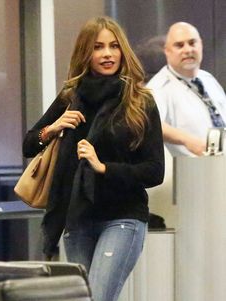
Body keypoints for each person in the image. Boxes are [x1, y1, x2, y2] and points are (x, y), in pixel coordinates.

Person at [22, 16, 164, 301]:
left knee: (98, 297)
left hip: (123, 217)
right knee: (80, 298)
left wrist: (103, 168)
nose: (107, 54)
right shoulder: (71, 96)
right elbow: (29, 144)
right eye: (98, 47)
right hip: (77, 218)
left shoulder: (140, 101)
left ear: (123, 50)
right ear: (86, 53)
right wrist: (54, 127)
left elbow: (154, 171)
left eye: (114, 46)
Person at [147, 22, 226, 157]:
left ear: (200, 45)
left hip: (220, 165)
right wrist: (187, 140)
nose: (188, 50)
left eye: (192, 43)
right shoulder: (158, 87)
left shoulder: (208, 79)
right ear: (167, 51)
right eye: (179, 45)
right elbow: (149, 123)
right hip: (190, 170)